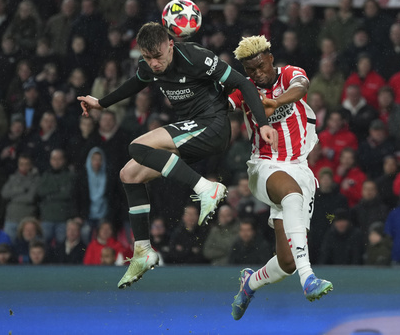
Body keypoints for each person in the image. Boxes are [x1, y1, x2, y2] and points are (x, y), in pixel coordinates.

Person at [77, 22, 276, 289]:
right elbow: (136, 83)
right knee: (129, 175)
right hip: (191, 134)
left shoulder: (196, 56)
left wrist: (262, 123)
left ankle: (206, 188)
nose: (154, 63)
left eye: (158, 56)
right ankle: (143, 251)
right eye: (147, 58)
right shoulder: (150, 66)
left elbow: (242, 82)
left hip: (213, 126)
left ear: (170, 44)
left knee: (137, 146)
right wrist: (100, 103)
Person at [228, 35, 332, 321]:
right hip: (265, 166)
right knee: (290, 192)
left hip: (300, 168)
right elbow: (224, 106)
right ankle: (308, 279)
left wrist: (274, 102)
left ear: (271, 59)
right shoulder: (244, 89)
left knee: (286, 262)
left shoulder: (289, 74)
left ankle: (249, 283)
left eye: (261, 66)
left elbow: (302, 87)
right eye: (250, 71)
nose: (257, 74)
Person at [0, 154, 40, 242]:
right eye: (21, 164)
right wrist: (22, 190)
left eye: (26, 164)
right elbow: (4, 193)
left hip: (27, 219)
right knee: (8, 246)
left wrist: (12, 197)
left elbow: (30, 198)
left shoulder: (36, 179)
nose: (24, 167)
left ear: (31, 165)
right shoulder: (12, 177)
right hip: (11, 218)